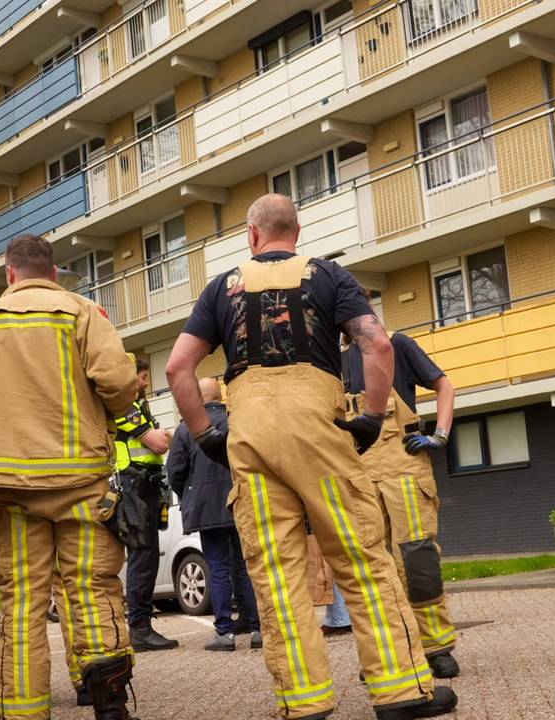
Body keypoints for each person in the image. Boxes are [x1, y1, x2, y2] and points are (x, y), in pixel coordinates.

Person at [166, 194, 457, 720]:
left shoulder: (223, 286)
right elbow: (378, 346)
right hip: (318, 433)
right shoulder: (328, 276)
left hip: (251, 438)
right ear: (295, 234)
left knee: (276, 574)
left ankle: (304, 702)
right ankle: (401, 692)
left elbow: (177, 369)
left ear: (252, 236)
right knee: (363, 560)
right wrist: (370, 416)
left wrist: (206, 433)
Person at [0, 234, 140, 720]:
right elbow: (120, 385)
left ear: (9, 274)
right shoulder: (83, 313)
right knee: (92, 590)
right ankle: (108, 706)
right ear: (55, 273)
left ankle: (24, 711)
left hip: (10, 487)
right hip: (80, 480)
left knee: (22, 605)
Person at [342, 332, 460, 678]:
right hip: (358, 473)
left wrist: (440, 435)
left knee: (417, 559)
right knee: (373, 568)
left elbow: (445, 387)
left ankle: (436, 647)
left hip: (404, 470)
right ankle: (387, 653)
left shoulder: (397, 346)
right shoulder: (334, 361)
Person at [166, 377, 261, 652]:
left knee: (217, 568)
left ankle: (225, 633)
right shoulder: (237, 421)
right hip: (239, 500)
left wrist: (189, 495)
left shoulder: (187, 429)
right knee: (245, 566)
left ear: (198, 396)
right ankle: (256, 628)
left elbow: (175, 471)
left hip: (206, 507)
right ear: (220, 395)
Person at [117, 355, 177, 652]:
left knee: (147, 556)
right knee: (143, 556)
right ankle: (139, 628)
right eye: (142, 377)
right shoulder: (124, 408)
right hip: (135, 487)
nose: (146, 383)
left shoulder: (136, 407)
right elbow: (160, 442)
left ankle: (141, 625)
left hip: (143, 486)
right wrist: (162, 435)